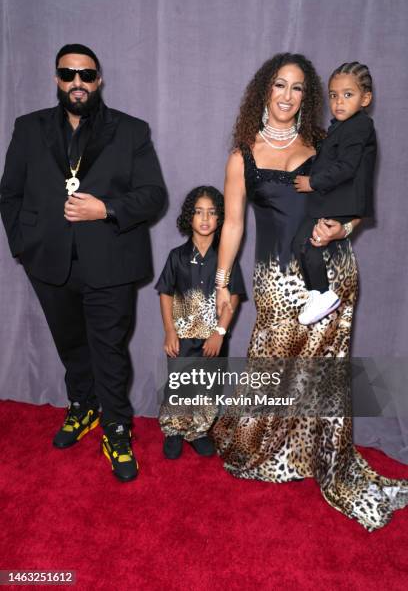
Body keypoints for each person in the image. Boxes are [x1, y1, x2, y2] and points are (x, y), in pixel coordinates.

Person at [212, 52, 408, 530]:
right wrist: (222, 281)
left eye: (298, 87)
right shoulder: (243, 153)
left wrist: (342, 231)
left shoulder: (327, 140)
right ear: (265, 90)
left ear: (308, 96)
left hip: (333, 272)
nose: (287, 95)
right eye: (280, 84)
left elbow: (357, 197)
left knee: (322, 375)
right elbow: (234, 224)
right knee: (273, 367)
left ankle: (310, 455)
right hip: (276, 278)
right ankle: (261, 447)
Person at [0, 44, 166, 482]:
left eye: (87, 75)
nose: (78, 82)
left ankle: (116, 427)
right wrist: (23, 245)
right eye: (68, 74)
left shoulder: (131, 131)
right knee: (72, 345)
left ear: (99, 80)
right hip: (49, 262)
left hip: (111, 261)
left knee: (108, 350)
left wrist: (105, 209)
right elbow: (9, 192)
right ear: (57, 79)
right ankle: (84, 407)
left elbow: (153, 196)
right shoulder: (29, 127)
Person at [155, 186, 246, 459]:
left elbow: (235, 297)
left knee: (208, 386)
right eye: (198, 212)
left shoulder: (226, 259)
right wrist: (170, 330)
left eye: (212, 213)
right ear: (189, 218)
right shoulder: (177, 257)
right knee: (180, 384)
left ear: (220, 219)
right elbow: (165, 294)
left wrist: (220, 332)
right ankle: (174, 430)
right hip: (182, 337)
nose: (205, 219)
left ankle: (198, 431)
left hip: (213, 338)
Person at [293, 62, 376, 325]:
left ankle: (324, 293)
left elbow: (347, 167)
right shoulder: (340, 127)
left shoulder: (359, 126)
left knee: (310, 242)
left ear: (366, 98)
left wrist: (312, 183)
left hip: (340, 202)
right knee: (301, 243)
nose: (339, 102)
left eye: (347, 95)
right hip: (331, 200)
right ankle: (318, 293)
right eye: (333, 95)